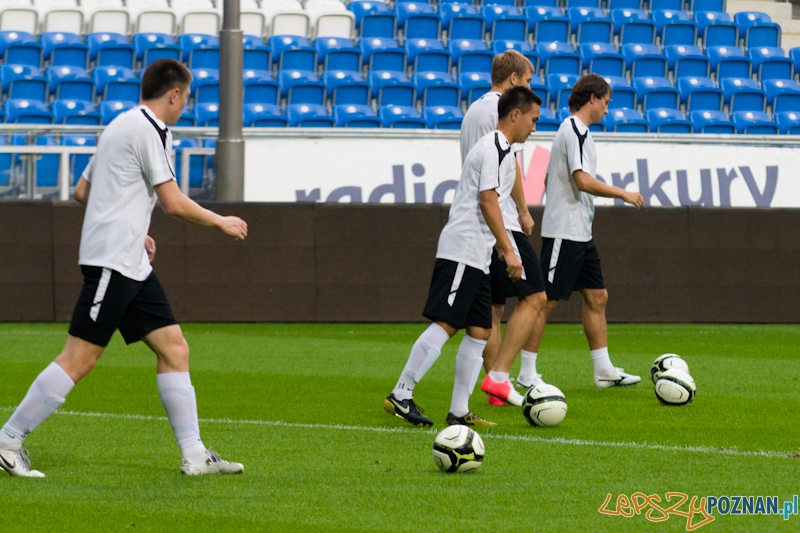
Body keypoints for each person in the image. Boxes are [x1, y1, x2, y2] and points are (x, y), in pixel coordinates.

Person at [0, 59, 248, 478]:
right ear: (173, 94)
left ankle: (194, 455)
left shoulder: (119, 124)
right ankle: (8, 441)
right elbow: (172, 203)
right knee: (80, 358)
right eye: (186, 97)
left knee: (174, 349)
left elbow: (83, 191)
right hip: (114, 261)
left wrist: (135, 225)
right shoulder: (150, 130)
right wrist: (219, 220)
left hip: (130, 259)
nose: (185, 105)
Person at [383, 87, 541, 428]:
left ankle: (458, 411)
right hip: (464, 248)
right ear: (515, 114)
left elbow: (491, 202)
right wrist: (509, 250)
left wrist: (497, 246)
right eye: (533, 119)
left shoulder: (500, 148)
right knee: (448, 322)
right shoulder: (497, 147)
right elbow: (487, 201)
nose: (534, 127)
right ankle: (401, 393)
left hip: (479, 253)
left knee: (481, 330)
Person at [516, 74, 645, 391]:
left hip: (580, 231)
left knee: (597, 296)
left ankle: (603, 370)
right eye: (606, 102)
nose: (608, 110)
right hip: (564, 231)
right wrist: (623, 193)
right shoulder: (573, 130)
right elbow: (582, 180)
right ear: (592, 98)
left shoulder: (579, 132)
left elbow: (549, 180)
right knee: (545, 301)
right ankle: (526, 372)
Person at [459, 51, 548, 408]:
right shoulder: (500, 110)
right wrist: (523, 211)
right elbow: (504, 161)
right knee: (536, 297)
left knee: (494, 309)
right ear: (513, 79)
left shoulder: (472, 110)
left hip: (481, 224)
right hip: (501, 220)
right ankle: (499, 378)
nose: (528, 88)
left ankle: (497, 384)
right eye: (526, 81)